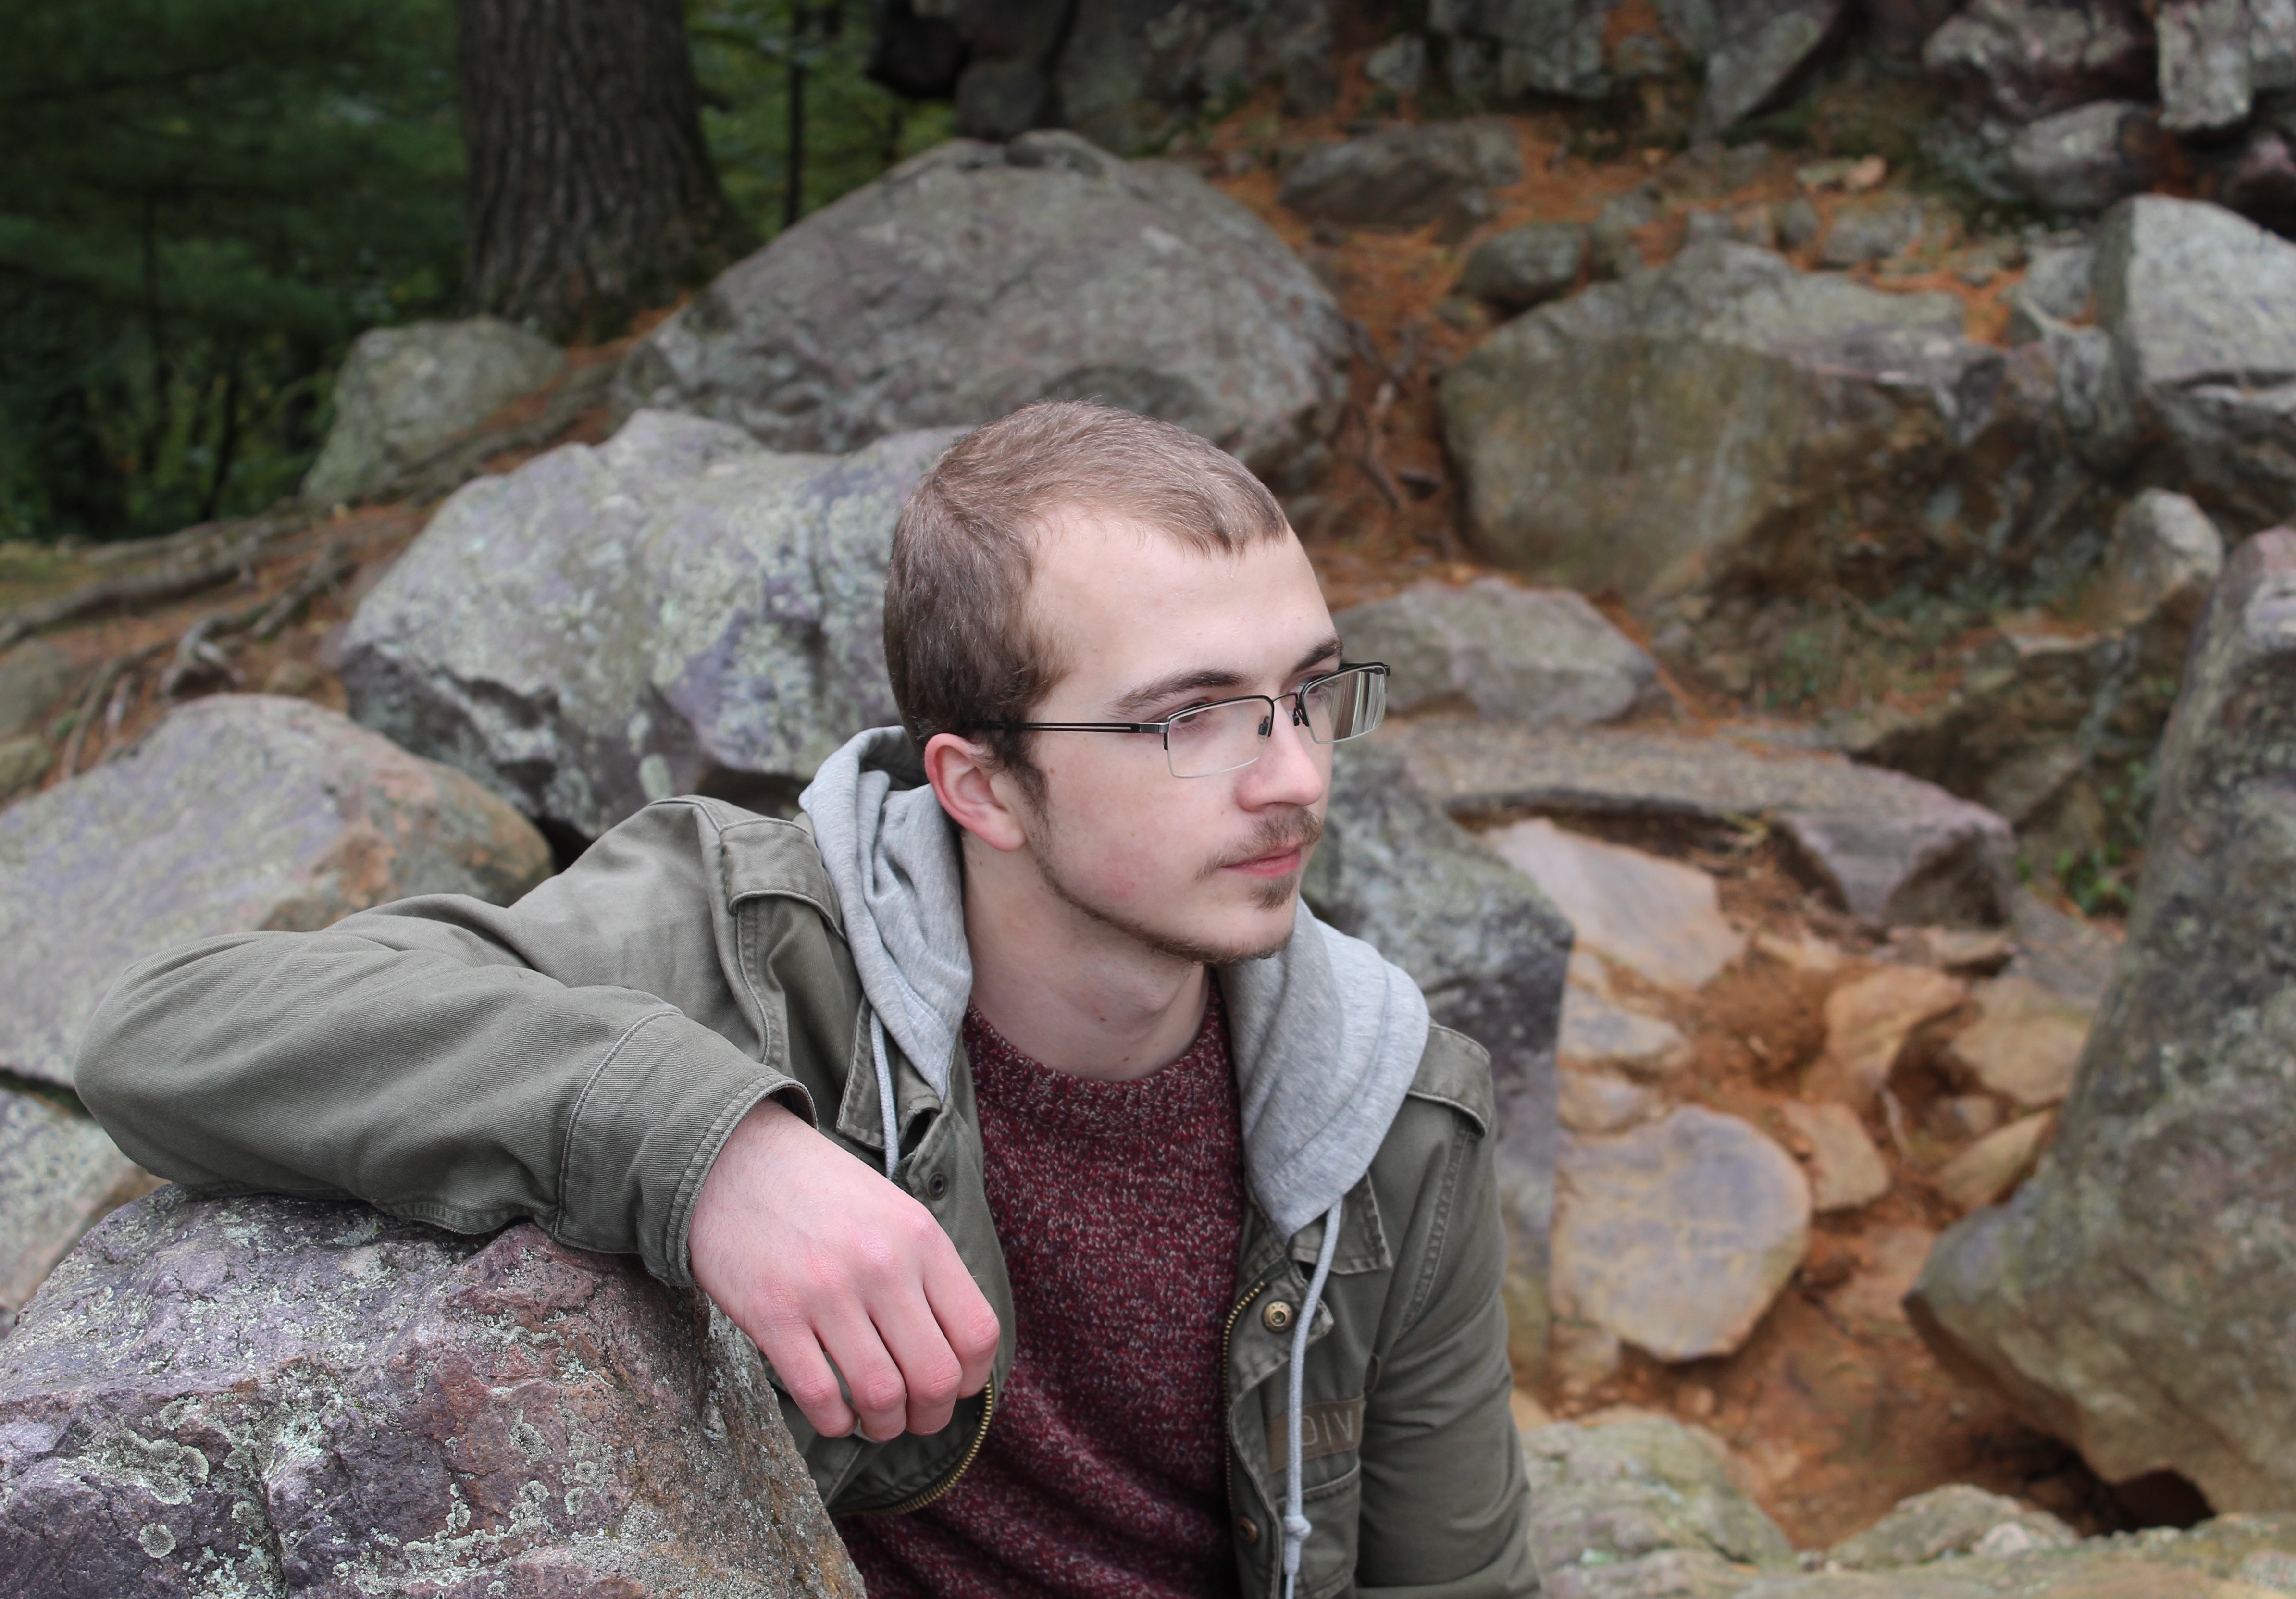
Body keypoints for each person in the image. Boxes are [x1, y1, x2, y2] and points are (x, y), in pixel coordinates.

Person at [78, 401, 1538, 1599]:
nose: (1294, 776)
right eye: (1192, 717)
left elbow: (1456, 1581)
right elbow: (170, 1031)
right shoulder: (756, 944)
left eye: (1311, 693)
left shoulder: (1393, 1108)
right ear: (980, 786)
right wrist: (714, 1149)